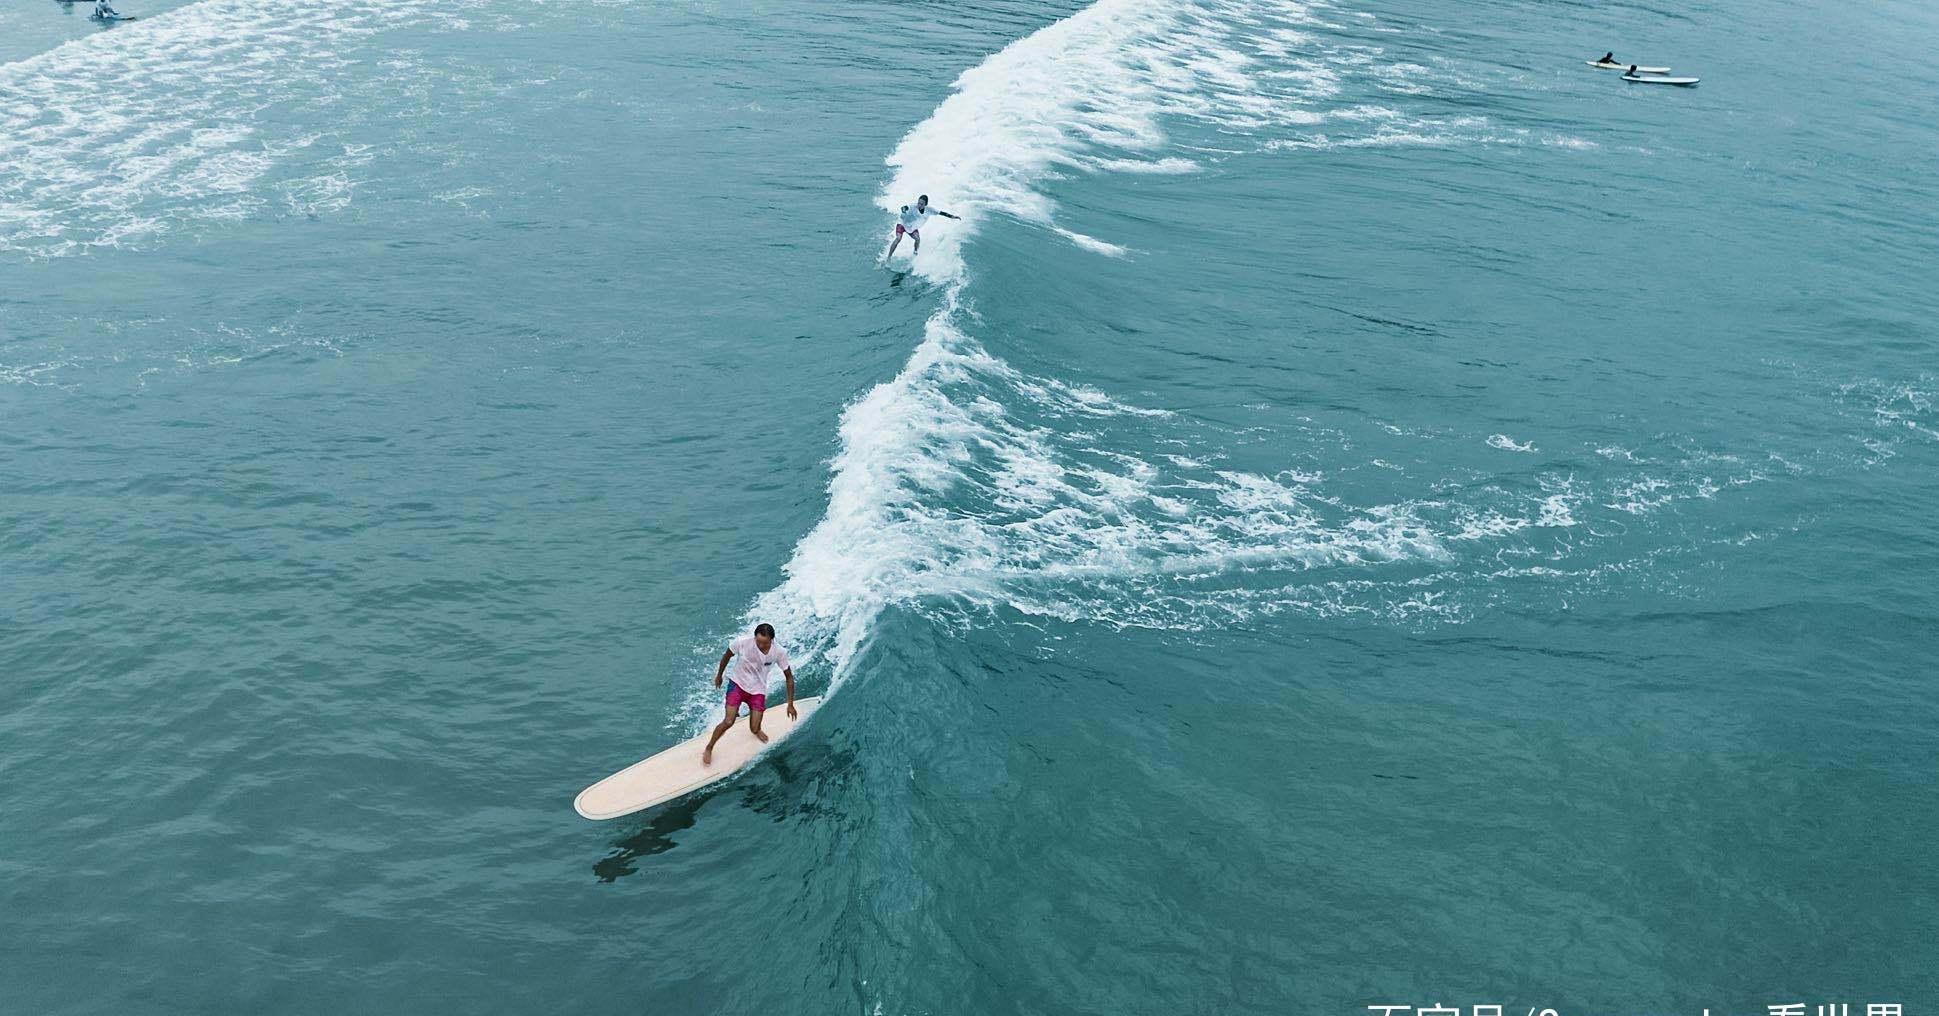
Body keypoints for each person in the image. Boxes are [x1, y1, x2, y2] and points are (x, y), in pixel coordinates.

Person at [701, 622, 798, 765]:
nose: (760, 645)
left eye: (764, 643)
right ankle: (709, 747)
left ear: (772, 640)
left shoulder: (779, 652)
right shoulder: (742, 642)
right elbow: (726, 656)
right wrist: (719, 675)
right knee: (729, 721)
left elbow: (789, 678)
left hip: (757, 690)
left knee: (754, 728)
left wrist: (790, 704)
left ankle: (756, 730)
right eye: (758, 641)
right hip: (738, 684)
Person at [884, 194, 960, 259]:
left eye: (921, 204)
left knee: (917, 239)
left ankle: (915, 253)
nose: (919, 205)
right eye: (919, 203)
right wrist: (904, 210)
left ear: (925, 205)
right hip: (902, 224)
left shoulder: (930, 210)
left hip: (912, 228)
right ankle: (889, 258)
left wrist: (952, 216)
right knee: (898, 238)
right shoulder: (913, 206)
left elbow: (941, 213)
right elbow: (904, 207)